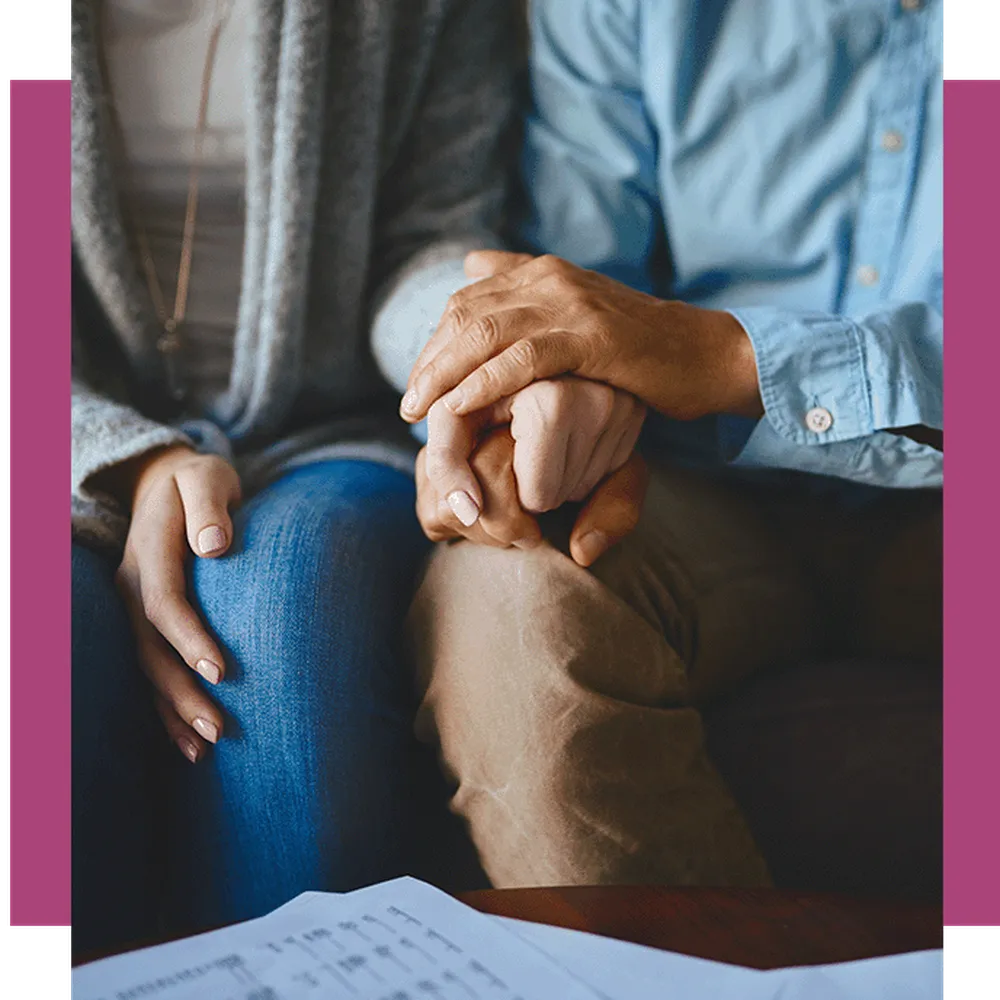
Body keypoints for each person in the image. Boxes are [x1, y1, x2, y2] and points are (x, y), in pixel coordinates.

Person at [387, 0, 943, 888]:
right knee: (514, 589)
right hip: (700, 490)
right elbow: (577, 288)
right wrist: (535, 408)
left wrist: (725, 358)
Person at [70, 0, 519, 955]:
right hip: (61, 430)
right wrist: (134, 457)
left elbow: (429, 241)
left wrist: (480, 339)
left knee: (285, 629)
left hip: (338, 423)